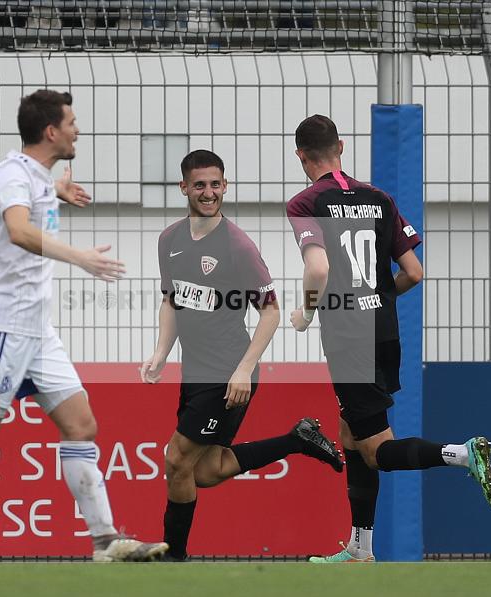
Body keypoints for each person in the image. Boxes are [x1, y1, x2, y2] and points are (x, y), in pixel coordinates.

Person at [0, 89, 167, 564]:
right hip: (4, 328)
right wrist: (78, 256)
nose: (79, 130)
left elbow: (27, 207)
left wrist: (56, 191)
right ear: (51, 131)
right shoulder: (12, 174)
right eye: (72, 123)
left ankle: (105, 542)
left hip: (39, 333)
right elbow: (17, 229)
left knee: (81, 425)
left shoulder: (36, 177)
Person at [286, 115, 491, 563]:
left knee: (375, 449)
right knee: (350, 434)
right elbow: (414, 273)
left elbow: (319, 270)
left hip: (348, 338)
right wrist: (381, 295)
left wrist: (306, 313)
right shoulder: (379, 198)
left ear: (300, 156)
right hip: (384, 332)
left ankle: (461, 454)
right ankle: (360, 549)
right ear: (341, 147)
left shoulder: (306, 202)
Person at [140, 149, 344, 562]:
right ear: (184, 188)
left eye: (216, 184)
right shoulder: (170, 240)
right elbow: (171, 301)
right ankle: (296, 439)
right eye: (200, 184)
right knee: (206, 471)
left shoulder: (237, 245)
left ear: (225, 186)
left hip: (228, 372)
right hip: (195, 372)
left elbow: (269, 311)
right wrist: (161, 351)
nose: (209, 192)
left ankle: (172, 560)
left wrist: (244, 369)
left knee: (176, 459)